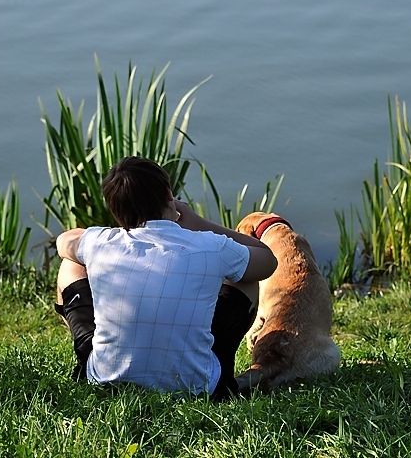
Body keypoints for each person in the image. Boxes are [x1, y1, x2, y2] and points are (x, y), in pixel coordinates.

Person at [55, 156, 277, 398]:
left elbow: (64, 241)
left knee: (71, 265)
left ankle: (98, 351)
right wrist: (198, 223)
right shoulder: (210, 245)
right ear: (169, 195)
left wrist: (113, 235)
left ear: (114, 209)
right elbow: (266, 259)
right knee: (245, 276)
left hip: (106, 380)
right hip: (197, 388)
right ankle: (216, 366)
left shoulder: (100, 242)